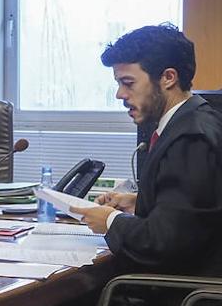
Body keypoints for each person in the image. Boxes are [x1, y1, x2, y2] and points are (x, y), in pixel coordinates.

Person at [72, 24, 222, 277]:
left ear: (168, 78)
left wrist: (110, 221)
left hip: (178, 302)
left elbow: (164, 244)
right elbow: (194, 213)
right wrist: (142, 202)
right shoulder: (199, 120)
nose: (120, 94)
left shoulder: (190, 138)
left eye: (128, 83)